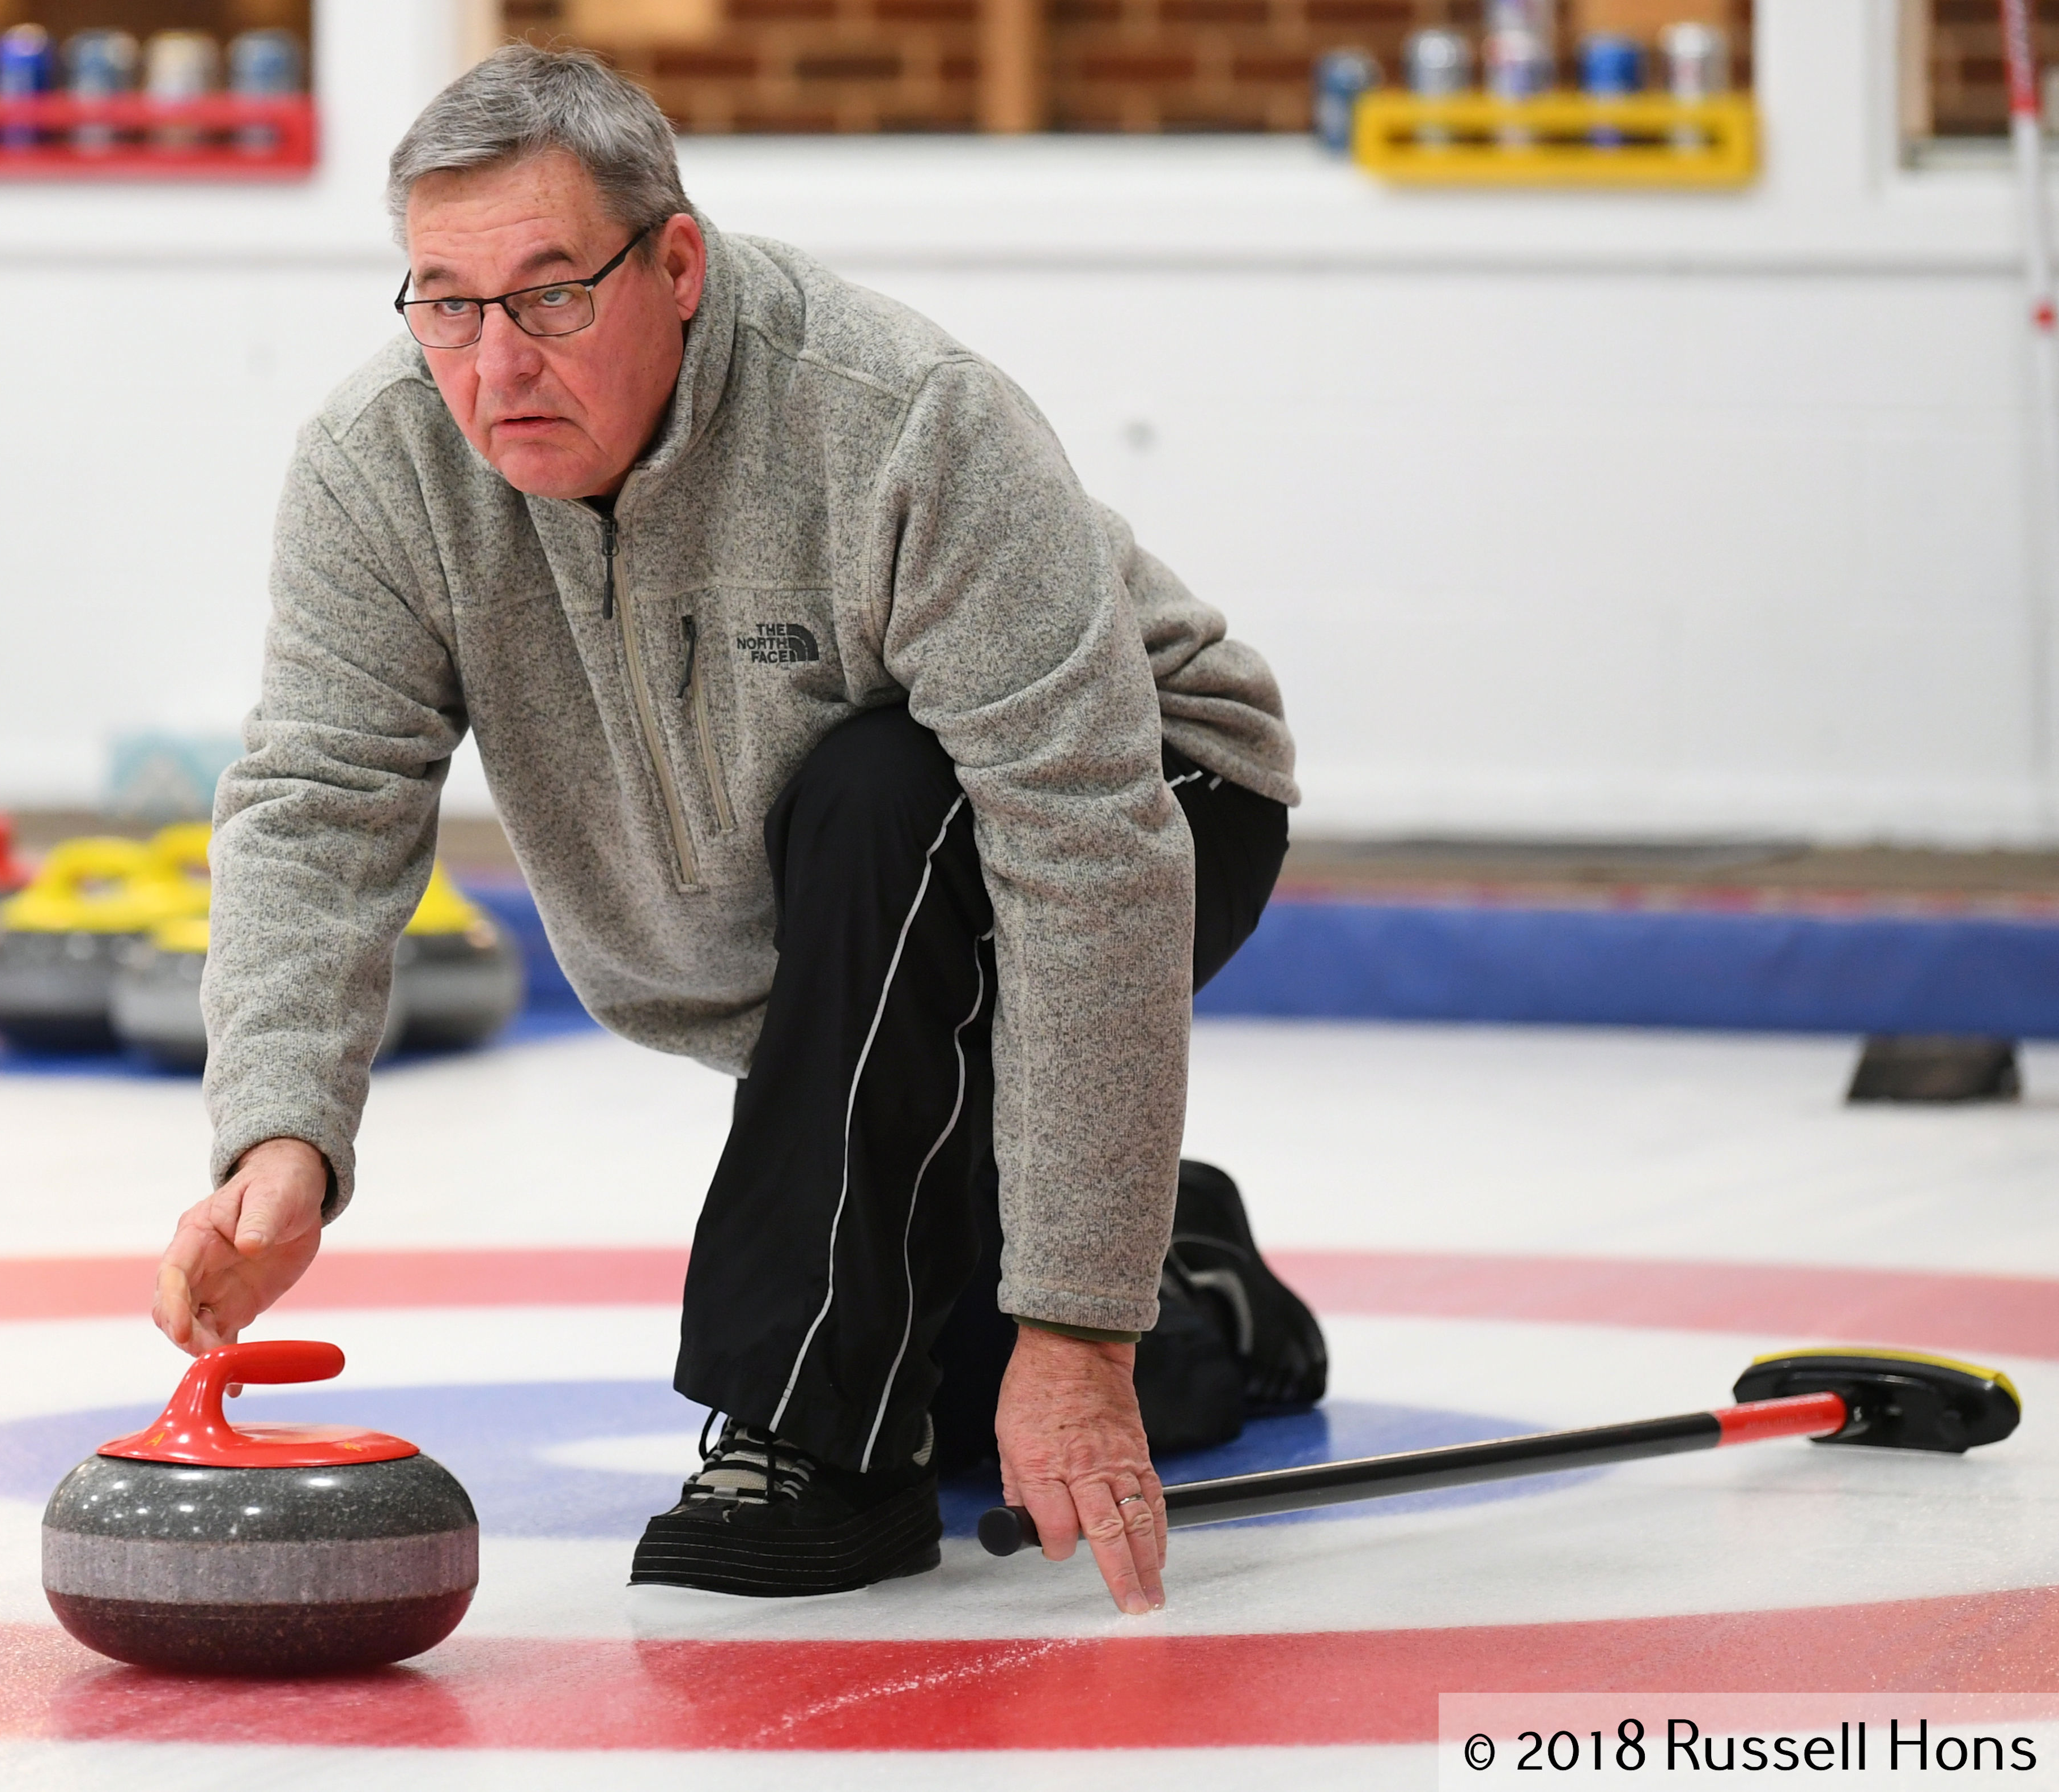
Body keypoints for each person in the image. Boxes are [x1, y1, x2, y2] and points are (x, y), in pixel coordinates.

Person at [151, 45, 1321, 1616]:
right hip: (847, 920)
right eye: (445, 302)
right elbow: (320, 797)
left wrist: (1081, 1334)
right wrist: (282, 1130)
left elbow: (1086, 847)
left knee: (881, 795)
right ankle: (1200, 1288)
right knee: (973, 1360)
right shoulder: (383, 472)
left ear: (677, 264)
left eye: (552, 294)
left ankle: (805, 1442)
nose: (496, 365)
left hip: (1153, 794)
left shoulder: (903, 421)